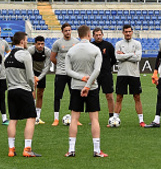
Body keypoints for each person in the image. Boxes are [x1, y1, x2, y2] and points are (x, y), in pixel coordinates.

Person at [64, 25, 106, 157]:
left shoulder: (72, 50)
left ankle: (71, 150)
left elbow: (68, 71)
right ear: (89, 35)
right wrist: (87, 85)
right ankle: (97, 150)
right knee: (94, 119)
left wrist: (81, 78)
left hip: (76, 86)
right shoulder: (95, 49)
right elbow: (97, 70)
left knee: (74, 118)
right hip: (91, 87)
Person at [4, 31, 41, 157]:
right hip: (23, 89)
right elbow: (30, 76)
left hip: (11, 90)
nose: (27, 42)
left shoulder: (7, 56)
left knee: (13, 119)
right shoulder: (25, 55)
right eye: (26, 40)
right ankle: (27, 148)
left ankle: (11, 149)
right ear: (21, 41)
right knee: (31, 118)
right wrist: (32, 89)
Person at [114, 24, 145, 127]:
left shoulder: (137, 43)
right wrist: (131, 54)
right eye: (126, 32)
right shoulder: (118, 43)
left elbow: (138, 58)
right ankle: (115, 119)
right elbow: (118, 57)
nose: (128, 33)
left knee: (137, 97)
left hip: (134, 75)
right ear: (123, 32)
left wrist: (124, 55)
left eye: (129, 31)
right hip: (122, 74)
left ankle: (141, 120)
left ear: (132, 32)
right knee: (119, 97)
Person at [50, 23, 79, 126]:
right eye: (66, 30)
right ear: (62, 31)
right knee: (58, 96)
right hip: (61, 73)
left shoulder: (76, 42)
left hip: (73, 73)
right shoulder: (58, 43)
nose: (68, 32)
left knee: (74, 95)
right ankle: (56, 119)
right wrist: (61, 66)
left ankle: (75, 118)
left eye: (69, 30)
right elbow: (52, 57)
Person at [92, 28, 117, 120]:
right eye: (96, 35)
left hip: (106, 74)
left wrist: (107, 67)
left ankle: (111, 117)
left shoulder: (108, 45)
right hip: (94, 74)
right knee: (94, 95)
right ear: (93, 36)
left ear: (102, 35)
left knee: (109, 96)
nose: (98, 37)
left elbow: (114, 59)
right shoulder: (91, 46)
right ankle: (95, 118)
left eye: (100, 35)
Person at [28, 36, 51, 124]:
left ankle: (38, 116)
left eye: (42, 44)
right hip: (31, 71)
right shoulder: (31, 50)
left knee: (40, 94)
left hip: (41, 73)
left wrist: (38, 78)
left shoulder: (47, 51)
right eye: (38, 44)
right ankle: (32, 115)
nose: (40, 46)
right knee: (32, 92)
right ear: (35, 44)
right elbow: (28, 64)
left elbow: (47, 67)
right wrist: (32, 76)